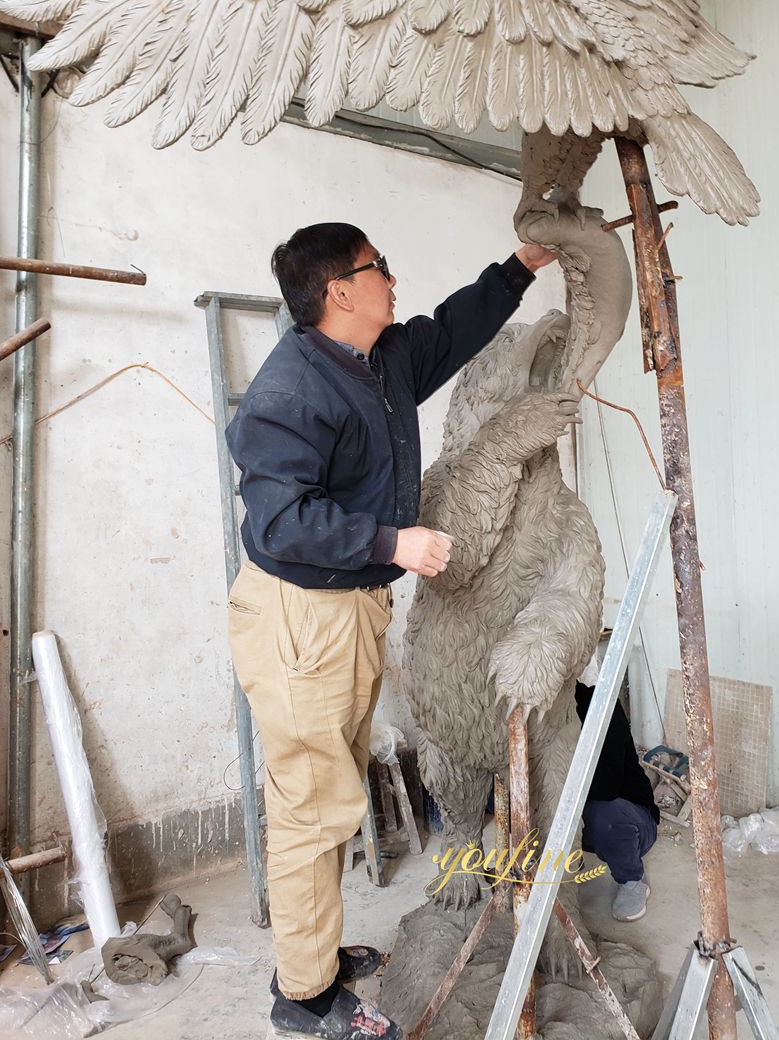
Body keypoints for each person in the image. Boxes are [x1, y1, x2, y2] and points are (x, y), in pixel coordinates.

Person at [225, 221, 574, 1040]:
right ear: (339, 291)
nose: (391, 275)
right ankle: (302, 998)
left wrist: (521, 266)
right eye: (377, 267)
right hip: (299, 613)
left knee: (331, 788)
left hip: (348, 608)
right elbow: (282, 521)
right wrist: (395, 544)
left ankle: (311, 956)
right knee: (313, 807)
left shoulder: (377, 362)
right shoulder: (289, 393)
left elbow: (453, 329)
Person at [575, 681, 660, 922]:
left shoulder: (600, 705)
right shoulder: (541, 714)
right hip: (584, 818)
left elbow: (607, 786)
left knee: (604, 815)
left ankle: (632, 878)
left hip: (632, 821)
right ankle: (568, 859)